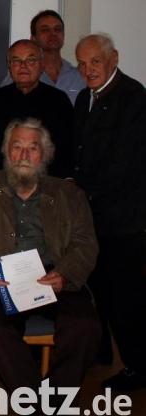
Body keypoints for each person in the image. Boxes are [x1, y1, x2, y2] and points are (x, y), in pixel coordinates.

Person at [0, 118, 101, 416]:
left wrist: (65, 273)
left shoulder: (69, 195)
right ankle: (48, 408)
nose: (23, 155)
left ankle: (49, 410)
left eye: (32, 148)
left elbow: (85, 243)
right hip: (0, 281)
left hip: (54, 277)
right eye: (16, 146)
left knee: (85, 327)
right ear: (6, 151)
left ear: (45, 153)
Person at [73, 33, 146, 392]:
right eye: (82, 64)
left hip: (124, 220)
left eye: (95, 62)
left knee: (126, 297)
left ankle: (137, 368)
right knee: (99, 291)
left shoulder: (133, 98)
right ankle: (101, 354)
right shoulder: (87, 97)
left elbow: (126, 163)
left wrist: (82, 188)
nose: (88, 70)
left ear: (113, 59)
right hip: (96, 217)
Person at [0, 40, 73, 178]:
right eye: (16, 61)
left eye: (30, 61)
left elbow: (69, 148)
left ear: (41, 65)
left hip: (47, 185)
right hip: (0, 184)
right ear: (10, 66)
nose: (23, 66)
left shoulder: (59, 101)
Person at [0, 10, 85, 104]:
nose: (53, 34)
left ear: (63, 36)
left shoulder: (78, 76)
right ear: (33, 38)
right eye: (45, 30)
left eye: (57, 29)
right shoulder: (20, 76)